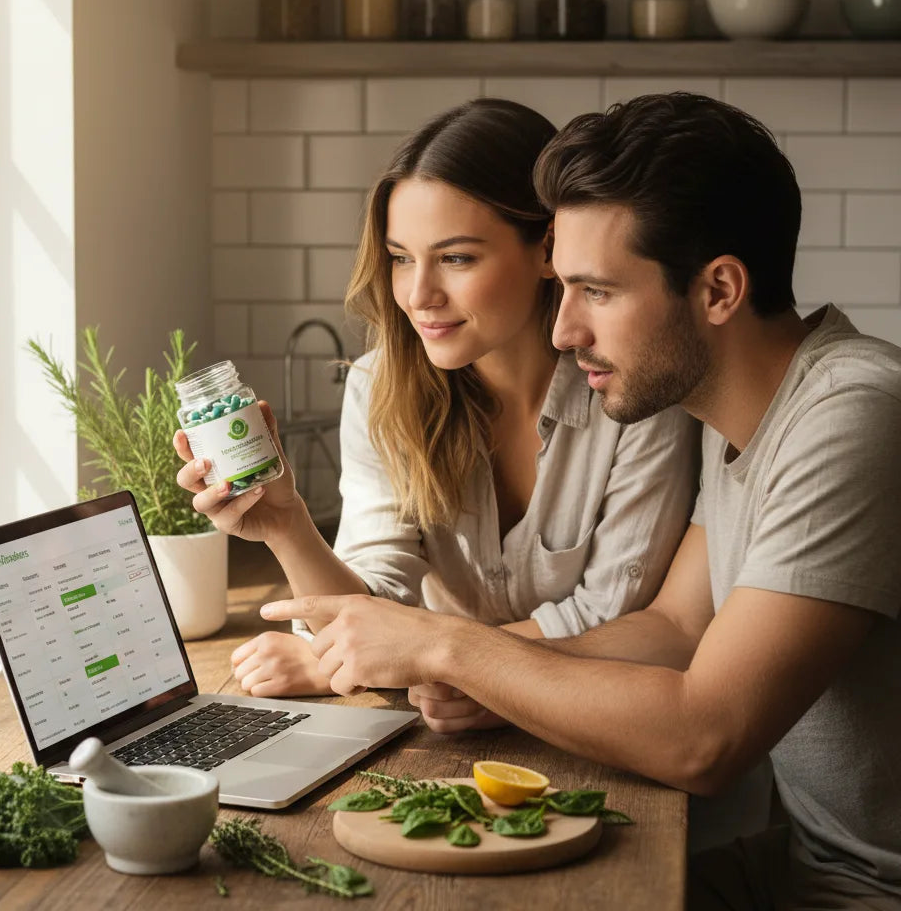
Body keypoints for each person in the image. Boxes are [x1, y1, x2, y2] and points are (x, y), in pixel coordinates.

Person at [260, 92, 901, 910]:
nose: (562, 330)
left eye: (596, 291)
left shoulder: (851, 415)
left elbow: (706, 739)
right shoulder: (737, 418)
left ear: (718, 291)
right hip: (803, 864)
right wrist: (483, 676)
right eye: (562, 286)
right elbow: (675, 627)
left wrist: (447, 649)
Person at [175, 97, 698, 700]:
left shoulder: (637, 389)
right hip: (441, 726)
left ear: (547, 250)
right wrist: (286, 525)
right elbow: (367, 609)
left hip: (601, 722)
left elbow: (615, 615)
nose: (419, 294)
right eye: (401, 259)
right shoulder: (380, 388)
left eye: (455, 258)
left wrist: (428, 661)